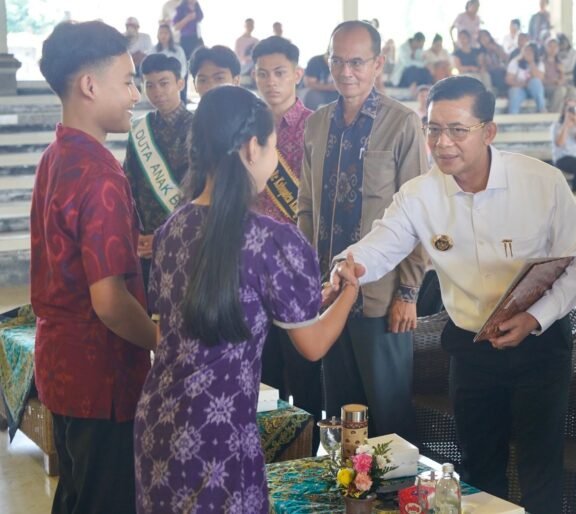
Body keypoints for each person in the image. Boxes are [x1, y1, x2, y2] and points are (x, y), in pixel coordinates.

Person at [329, 75, 576, 514]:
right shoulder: (420, 194)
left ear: (488, 131)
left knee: (540, 470)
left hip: (540, 345)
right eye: (433, 129)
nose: (442, 143)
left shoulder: (540, 182)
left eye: (457, 130)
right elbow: (381, 245)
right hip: (471, 349)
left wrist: (536, 317)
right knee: (477, 470)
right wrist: (349, 264)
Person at [133, 85, 362, 514]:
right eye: (272, 146)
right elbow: (312, 345)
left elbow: (178, 327)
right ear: (253, 148)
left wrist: (317, 298)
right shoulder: (273, 239)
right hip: (219, 436)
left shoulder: (171, 230)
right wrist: (348, 292)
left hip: (159, 421)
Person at [32, 20, 155, 513]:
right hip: (102, 375)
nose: (135, 95)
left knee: (76, 494)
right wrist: (160, 340)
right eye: (127, 81)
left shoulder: (56, 155)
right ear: (89, 85)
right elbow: (109, 301)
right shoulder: (100, 172)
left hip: (62, 367)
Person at [298, 20, 428, 439]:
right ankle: (348, 482)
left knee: (388, 418)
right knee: (341, 416)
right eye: (337, 61)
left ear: (378, 64)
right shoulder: (317, 123)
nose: (346, 72)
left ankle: (397, 484)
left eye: (357, 62)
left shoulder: (402, 123)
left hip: (380, 299)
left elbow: (419, 213)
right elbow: (306, 208)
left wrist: (408, 293)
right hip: (329, 296)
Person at [249, 36, 323, 453]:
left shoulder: (316, 126)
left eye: (280, 73)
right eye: (263, 74)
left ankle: (308, 458)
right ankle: (270, 458)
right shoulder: (249, 128)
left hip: (299, 266)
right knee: (265, 369)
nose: (271, 82)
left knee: (306, 368)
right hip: (255, 267)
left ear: (297, 74)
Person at [123, 53, 192, 293]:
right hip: (144, 240)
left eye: (164, 83)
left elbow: (201, 188)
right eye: (149, 85)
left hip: (186, 236)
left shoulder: (199, 126)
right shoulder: (139, 128)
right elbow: (129, 181)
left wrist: (166, 235)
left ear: (180, 83)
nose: (157, 91)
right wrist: (136, 233)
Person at [150, 23, 188, 103]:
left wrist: (177, 79)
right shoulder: (153, 50)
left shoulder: (178, 50)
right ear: (157, 35)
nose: (163, 36)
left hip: (176, 79)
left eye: (166, 33)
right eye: (161, 33)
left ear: (170, 35)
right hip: (158, 80)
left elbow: (183, 67)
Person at [506, 41, 546, 114]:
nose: (528, 52)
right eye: (526, 50)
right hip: (519, 88)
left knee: (535, 82)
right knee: (515, 92)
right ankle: (513, 116)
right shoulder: (515, 62)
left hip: (534, 89)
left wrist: (531, 63)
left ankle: (541, 109)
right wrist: (524, 84)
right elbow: (509, 80)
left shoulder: (540, 63)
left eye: (530, 51)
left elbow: (540, 79)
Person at [542, 37, 576, 113]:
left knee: (573, 90)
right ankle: (554, 114)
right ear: (545, 48)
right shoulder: (541, 62)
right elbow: (540, 79)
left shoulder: (559, 62)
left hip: (558, 86)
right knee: (561, 90)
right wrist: (552, 81)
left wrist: (561, 73)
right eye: (550, 46)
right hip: (546, 87)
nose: (553, 49)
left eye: (555, 47)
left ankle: (568, 113)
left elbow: (563, 80)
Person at [478, 29, 509, 93]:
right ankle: (502, 92)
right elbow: (481, 65)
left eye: (485, 36)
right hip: (489, 71)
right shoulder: (480, 51)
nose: (484, 39)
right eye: (481, 37)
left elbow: (505, 58)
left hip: (501, 69)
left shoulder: (498, 47)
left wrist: (496, 50)